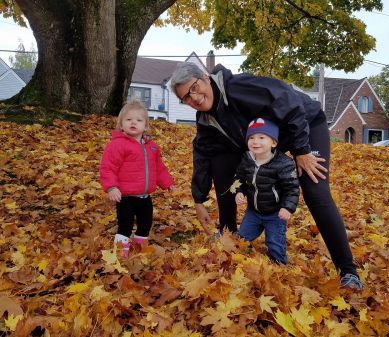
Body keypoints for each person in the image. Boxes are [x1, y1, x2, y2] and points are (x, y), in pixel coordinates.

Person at [170, 62, 363, 290]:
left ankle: (348, 270)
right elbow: (202, 154)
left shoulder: (238, 87)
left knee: (315, 190)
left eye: (194, 88)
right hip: (266, 143)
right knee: (221, 161)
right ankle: (230, 238)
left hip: (304, 124)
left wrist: (302, 150)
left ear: (205, 76)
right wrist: (199, 199)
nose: (194, 98)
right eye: (186, 98)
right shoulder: (206, 119)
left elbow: (288, 100)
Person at [99, 100, 174, 257]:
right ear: (121, 124)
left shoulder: (151, 146)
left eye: (138, 120)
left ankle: (139, 251)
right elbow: (108, 167)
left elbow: (159, 167)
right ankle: (120, 256)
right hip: (126, 196)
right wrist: (111, 187)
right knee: (125, 226)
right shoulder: (118, 145)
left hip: (145, 197)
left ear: (145, 125)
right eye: (128, 120)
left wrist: (167, 183)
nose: (133, 123)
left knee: (145, 224)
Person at [235, 118, 299, 264]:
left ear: (273, 142)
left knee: (275, 245)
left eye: (261, 137)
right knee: (242, 239)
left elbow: (292, 188)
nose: (255, 141)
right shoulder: (247, 159)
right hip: (253, 211)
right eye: (251, 137)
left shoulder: (284, 164)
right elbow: (239, 177)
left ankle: (279, 266)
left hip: (275, 214)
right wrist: (239, 191)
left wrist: (287, 207)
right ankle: (243, 259)